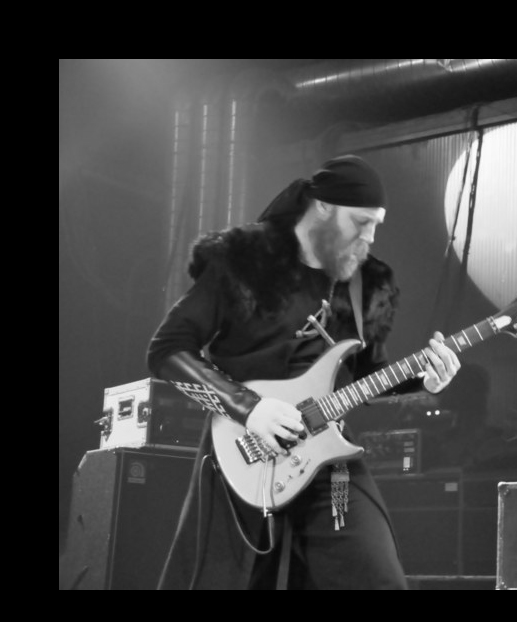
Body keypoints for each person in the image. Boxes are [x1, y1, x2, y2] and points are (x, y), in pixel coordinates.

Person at [148, 155, 460, 590]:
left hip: (329, 461)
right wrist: (249, 408)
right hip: (243, 450)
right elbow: (167, 351)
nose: (370, 236)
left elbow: (365, 377)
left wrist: (422, 379)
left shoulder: (365, 284)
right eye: (361, 221)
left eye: (376, 224)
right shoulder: (244, 261)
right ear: (323, 207)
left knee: (376, 576)